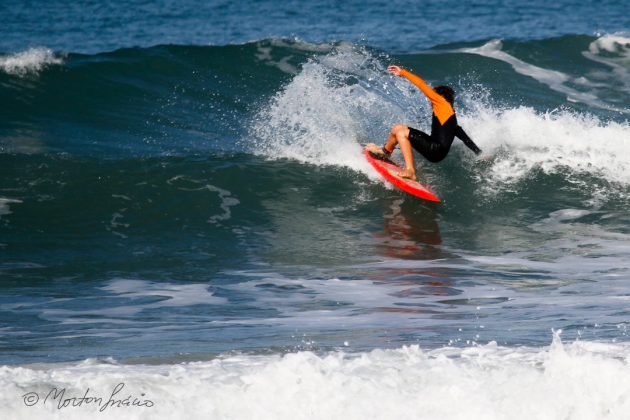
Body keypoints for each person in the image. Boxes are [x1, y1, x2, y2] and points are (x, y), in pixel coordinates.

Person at [367, 65, 482, 181]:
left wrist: (402, 72)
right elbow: (464, 137)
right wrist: (478, 152)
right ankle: (385, 152)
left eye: (434, 94)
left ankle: (410, 171)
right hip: (437, 151)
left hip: (435, 149)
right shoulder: (449, 116)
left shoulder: (442, 103)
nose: (430, 99)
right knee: (397, 128)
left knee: (401, 132)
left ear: (441, 96)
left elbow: (421, 85)